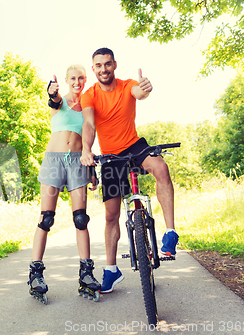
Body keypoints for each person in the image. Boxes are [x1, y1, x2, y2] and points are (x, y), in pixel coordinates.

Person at [80, 47, 179, 294]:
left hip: (134, 146)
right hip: (111, 156)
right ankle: (112, 270)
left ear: (114, 65)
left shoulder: (128, 86)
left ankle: (170, 233)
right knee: (111, 214)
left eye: (107, 64)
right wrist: (86, 150)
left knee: (160, 166)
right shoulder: (89, 95)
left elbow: (140, 92)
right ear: (94, 69)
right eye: (99, 65)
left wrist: (145, 89)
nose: (103, 69)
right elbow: (90, 124)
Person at [28, 64, 101, 303]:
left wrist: (92, 170)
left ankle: (86, 274)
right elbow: (54, 101)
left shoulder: (90, 107)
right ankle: (36, 274)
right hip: (53, 161)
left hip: (78, 162)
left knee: (81, 218)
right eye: (73, 78)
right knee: (46, 218)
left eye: (81, 78)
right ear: (67, 80)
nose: (77, 82)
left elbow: (90, 135)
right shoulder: (60, 101)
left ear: (85, 78)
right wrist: (52, 92)